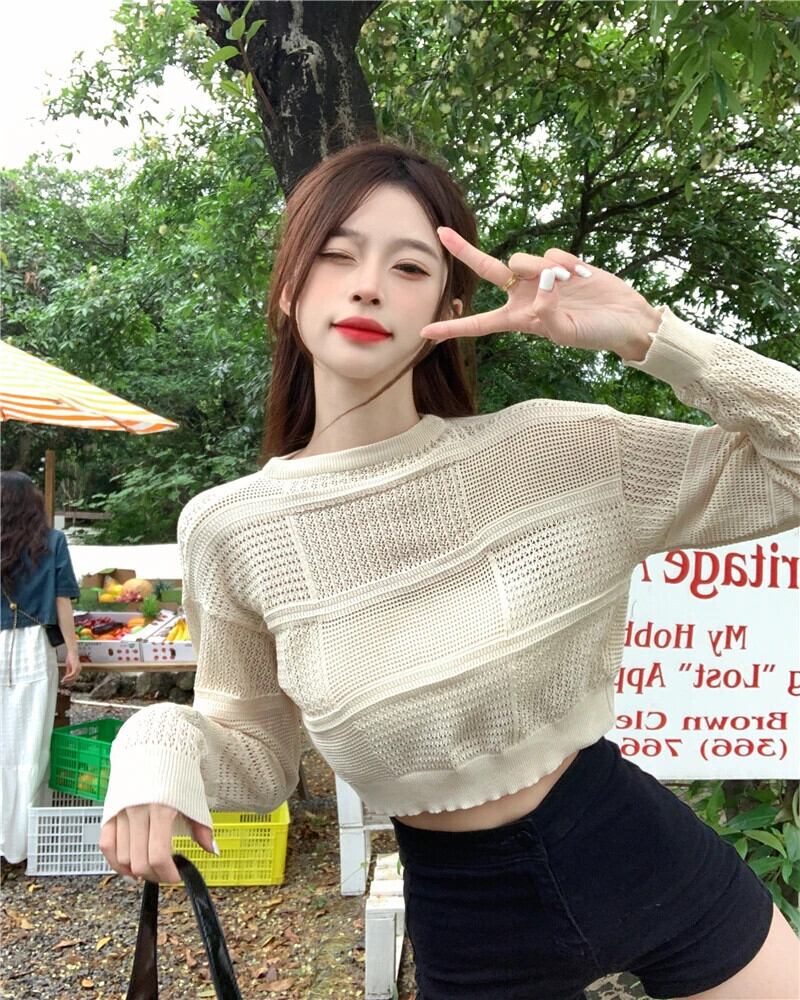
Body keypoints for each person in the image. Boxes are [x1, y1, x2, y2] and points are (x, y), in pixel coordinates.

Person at [98, 140, 800, 999]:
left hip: (641, 852)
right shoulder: (231, 529)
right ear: (288, 289)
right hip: (469, 923)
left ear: (449, 305)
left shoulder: (557, 448)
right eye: (338, 255)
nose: (368, 286)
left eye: (408, 267)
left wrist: (650, 335)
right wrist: (155, 742)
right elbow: (257, 755)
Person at [1, 471, 82, 863]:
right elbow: (63, 599)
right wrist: (72, 650)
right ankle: (22, 843)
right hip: (33, 647)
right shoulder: (53, 542)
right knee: (31, 743)